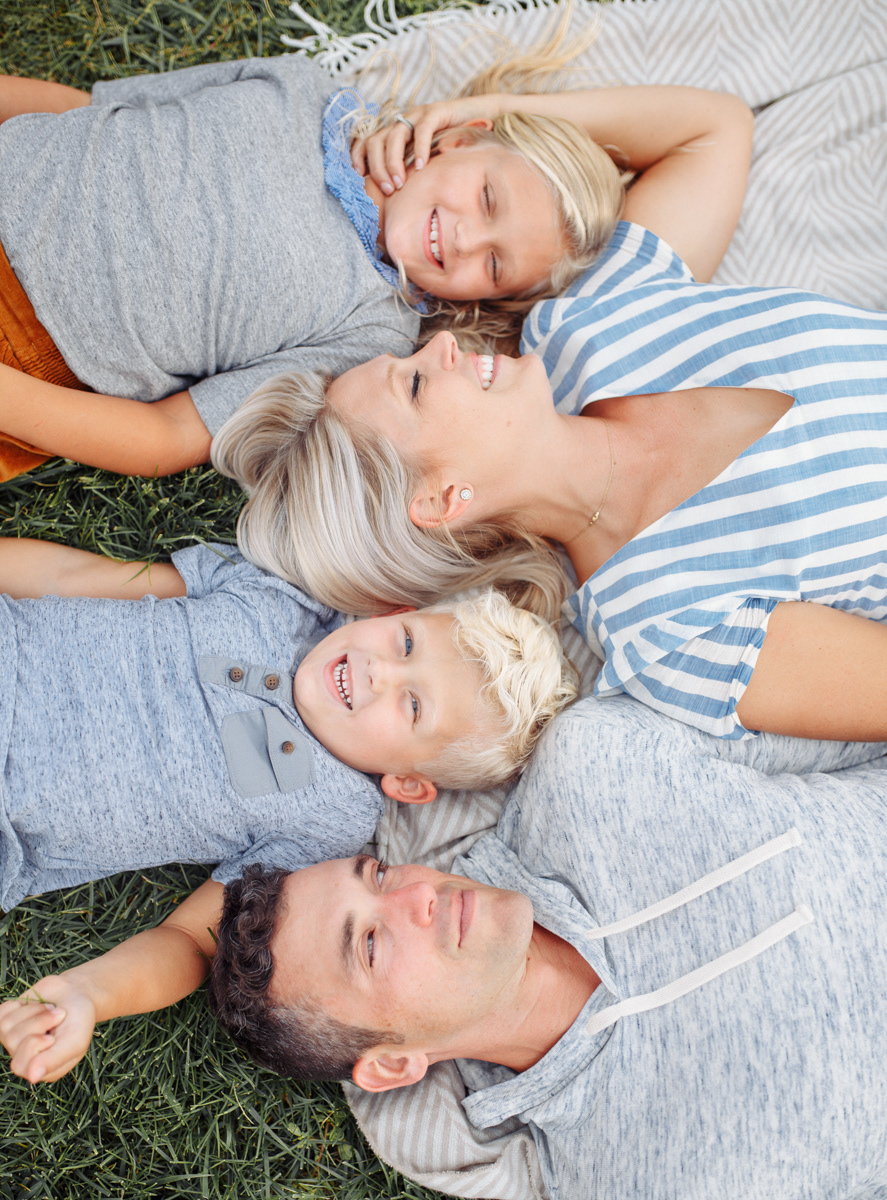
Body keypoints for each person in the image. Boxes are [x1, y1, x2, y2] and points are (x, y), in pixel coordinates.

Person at [7, 694, 885, 1197]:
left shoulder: (595, 764)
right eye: (373, 948)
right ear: (393, 1066)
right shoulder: (626, 1181)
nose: (420, 895)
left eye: (378, 877)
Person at [0, 12, 751, 479]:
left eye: (493, 264)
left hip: (26, 344)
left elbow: (166, 437)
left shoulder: (371, 336)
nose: (463, 236)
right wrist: (500, 102)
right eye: (486, 197)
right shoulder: (304, 89)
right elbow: (96, 113)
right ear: (461, 135)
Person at [222, 219, 887, 743]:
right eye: (417, 383)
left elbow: (710, 131)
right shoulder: (665, 633)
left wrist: (480, 109)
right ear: (442, 499)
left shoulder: (578, 326)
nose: (442, 344)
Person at [0, 535, 574, 913]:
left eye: (413, 705)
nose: (378, 672)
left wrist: (92, 996)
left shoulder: (330, 823)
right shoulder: (279, 593)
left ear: (407, 782)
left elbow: (188, 939)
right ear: (395, 614)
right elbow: (83, 576)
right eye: (405, 643)